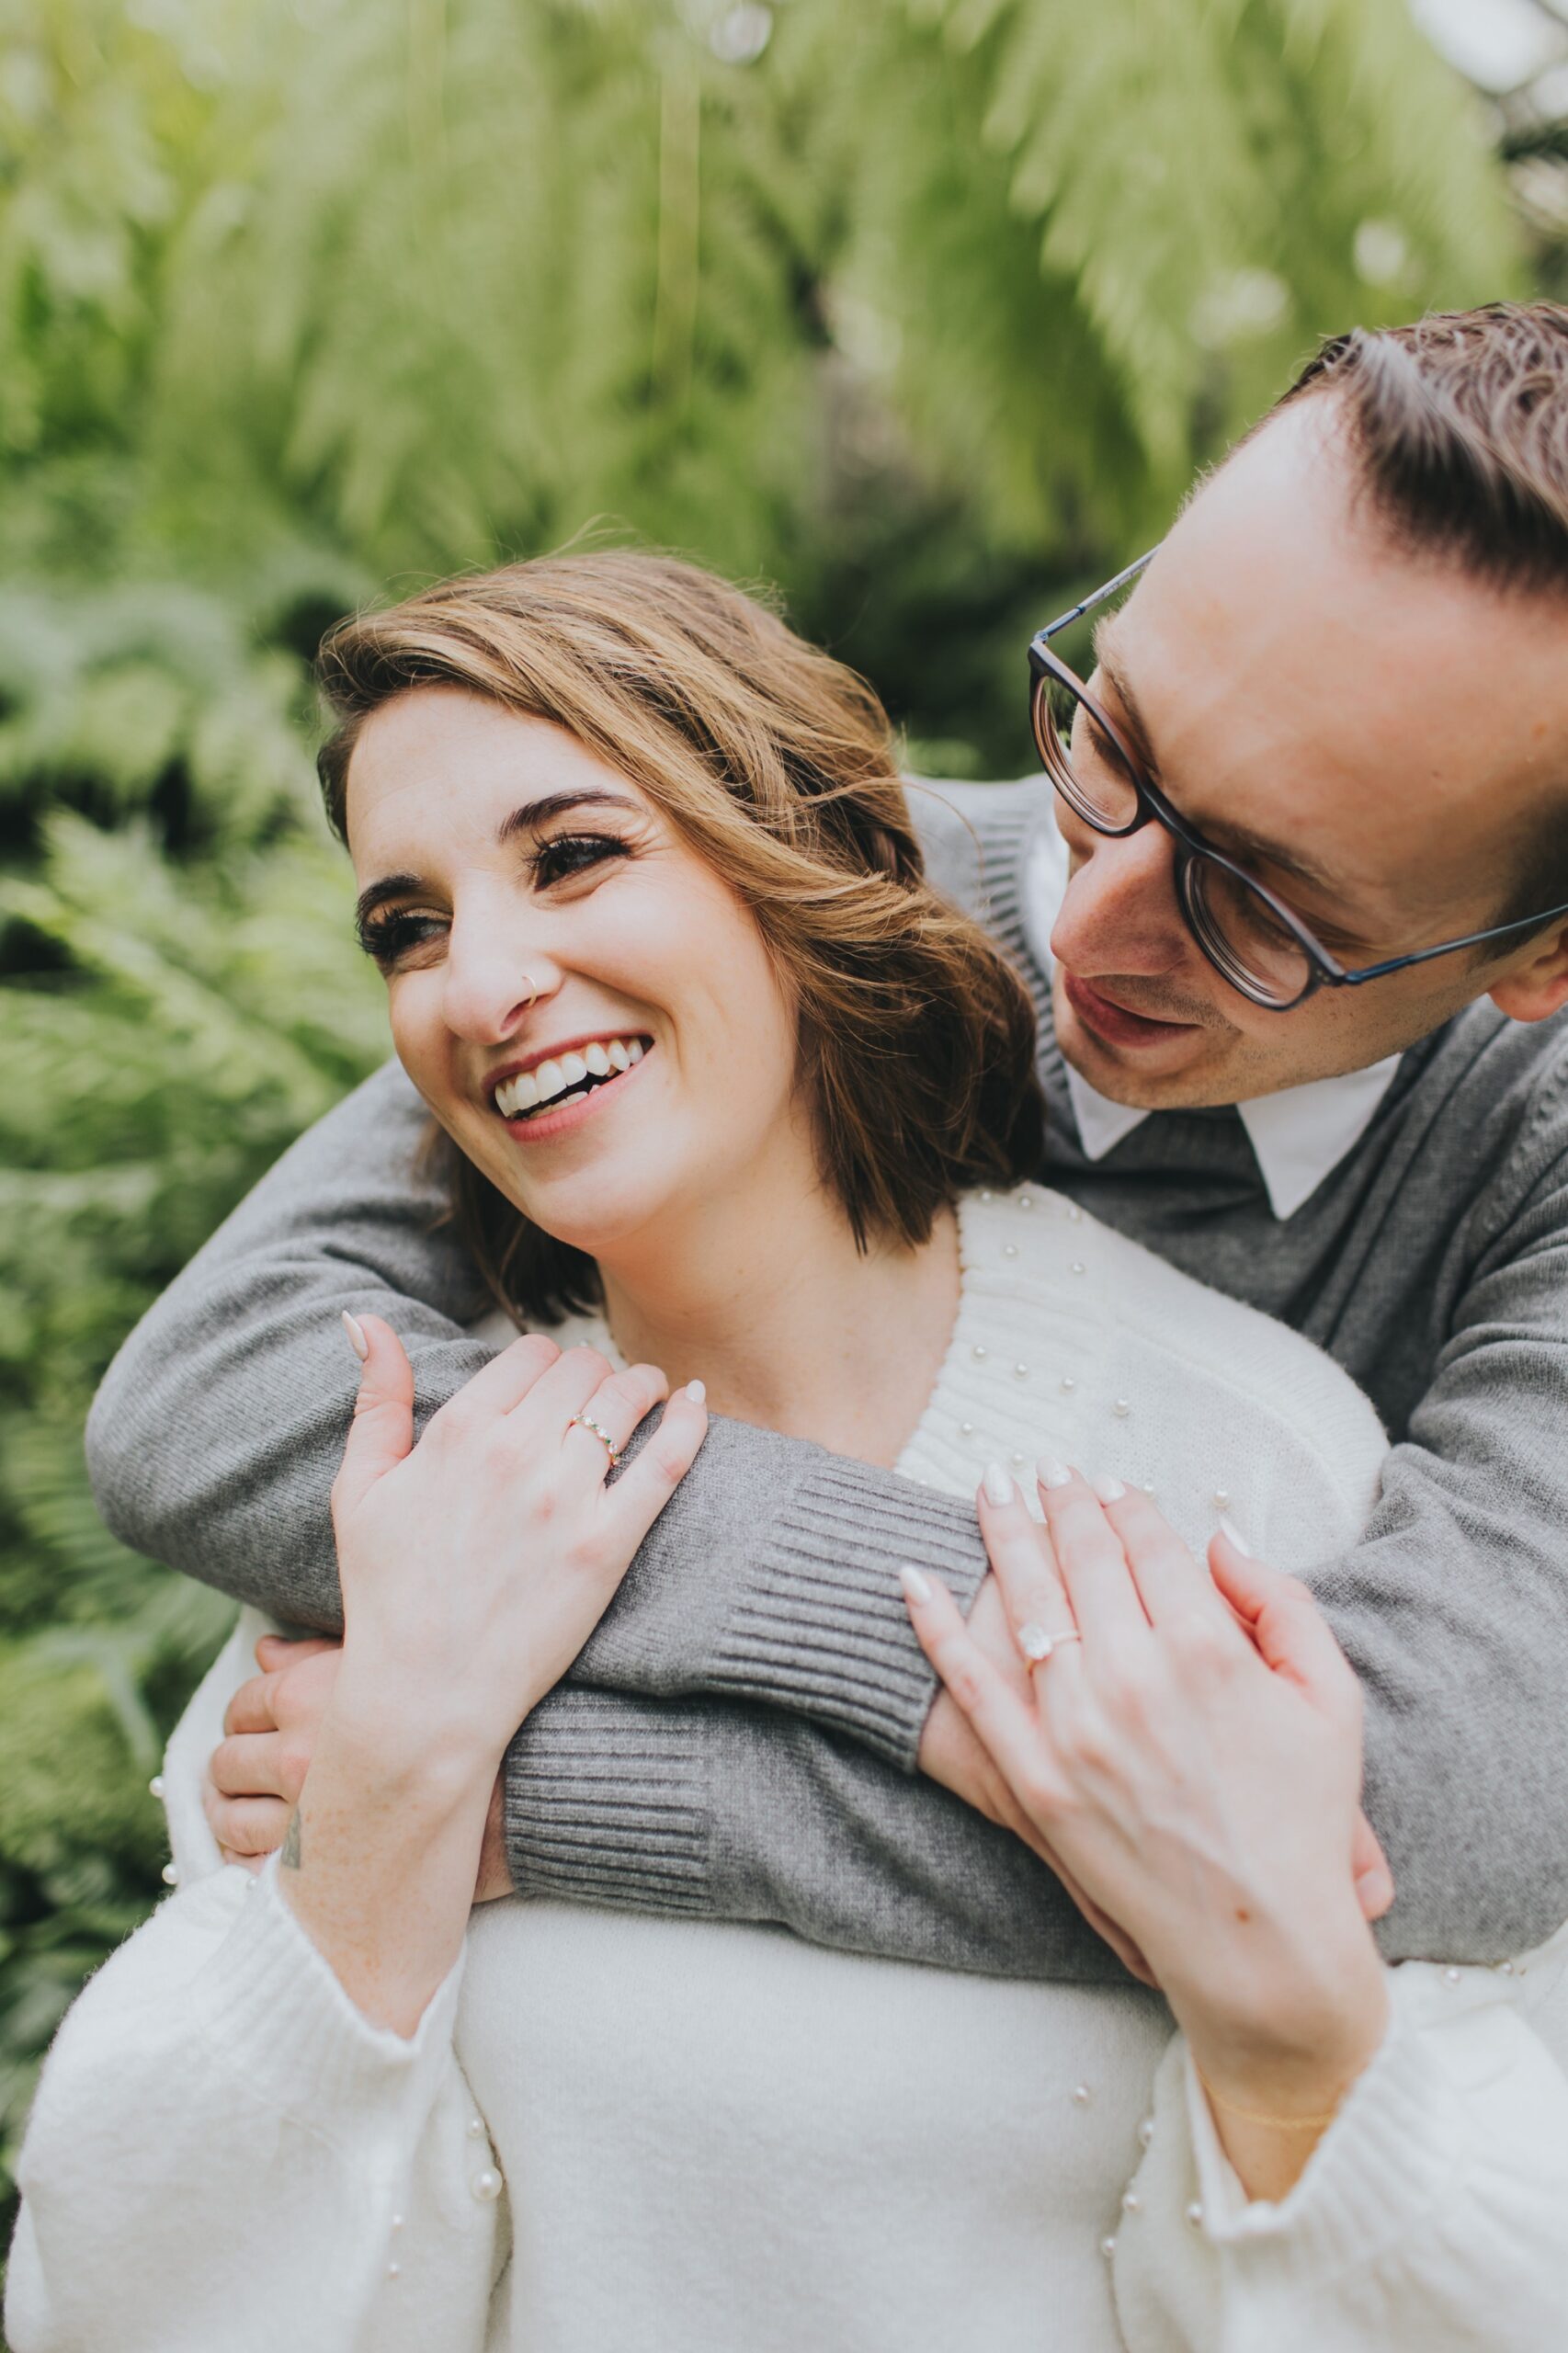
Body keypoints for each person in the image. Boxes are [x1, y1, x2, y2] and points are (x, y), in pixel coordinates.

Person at [9, 545, 1568, 2353]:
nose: (479, 981)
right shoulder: (426, 1507)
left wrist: (1286, 2032)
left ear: (799, 865)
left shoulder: (1254, 1463)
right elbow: (128, 2305)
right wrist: (384, 1814)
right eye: (406, 923)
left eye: (575, 854)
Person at [79, 301, 1568, 1983]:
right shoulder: (820, 900)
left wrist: (530, 1788)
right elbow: (213, 1393)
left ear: (1537, 959)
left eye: (1261, 905)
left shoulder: (1539, 1168)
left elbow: (1404, 1820)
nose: (1089, 909)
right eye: (1108, 736)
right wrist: (964, 1660)